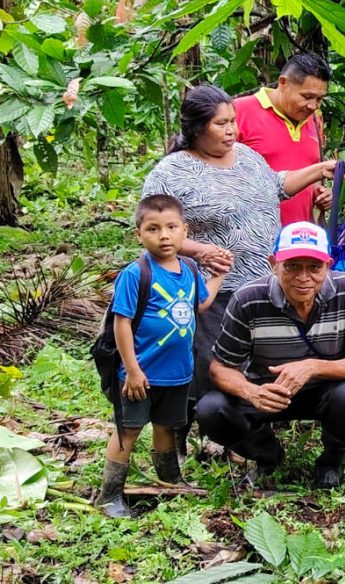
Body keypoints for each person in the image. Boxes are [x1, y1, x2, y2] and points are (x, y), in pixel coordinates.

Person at [141, 85, 342, 452]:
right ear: (197, 127)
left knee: (256, 361)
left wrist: (318, 172)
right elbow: (153, 230)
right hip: (215, 288)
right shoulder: (172, 172)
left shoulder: (247, 157)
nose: (232, 130)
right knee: (211, 362)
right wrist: (199, 250)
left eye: (233, 121)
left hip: (265, 285)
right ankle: (198, 437)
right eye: (221, 124)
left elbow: (278, 186)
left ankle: (245, 434)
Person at [196, 222, 345, 488]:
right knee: (211, 409)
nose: (303, 277)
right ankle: (267, 455)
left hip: (324, 391)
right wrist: (251, 392)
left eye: (314, 268)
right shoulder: (248, 299)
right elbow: (220, 368)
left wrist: (312, 367)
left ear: (328, 265)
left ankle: (331, 461)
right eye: (292, 266)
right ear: (274, 263)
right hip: (266, 391)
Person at [96, 195, 226, 517]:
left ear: (185, 230)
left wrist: (220, 274)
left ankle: (170, 482)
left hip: (177, 373)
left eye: (171, 227)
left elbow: (200, 305)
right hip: (140, 375)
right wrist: (133, 370)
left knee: (166, 427)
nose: (164, 236)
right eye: (153, 229)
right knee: (128, 431)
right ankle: (110, 494)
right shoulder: (136, 274)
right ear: (139, 234)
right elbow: (121, 323)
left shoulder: (190, 268)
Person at [232, 52, 335, 225]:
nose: (313, 106)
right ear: (283, 83)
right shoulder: (237, 112)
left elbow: (312, 169)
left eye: (319, 99)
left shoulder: (314, 120)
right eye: (307, 96)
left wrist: (321, 193)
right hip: (250, 241)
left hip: (300, 240)